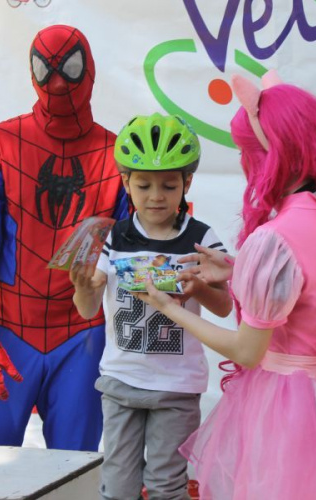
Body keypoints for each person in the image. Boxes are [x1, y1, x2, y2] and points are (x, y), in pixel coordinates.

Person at [135, 73, 316, 499]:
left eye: (248, 152)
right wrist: (239, 269)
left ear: (271, 156)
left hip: (286, 408)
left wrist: (168, 308)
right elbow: (310, 285)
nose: (246, 164)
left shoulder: (274, 238)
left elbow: (248, 350)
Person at [0, 25, 127, 451]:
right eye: (46, 69)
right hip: (7, 328)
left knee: (72, 474)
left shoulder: (118, 154)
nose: (57, 83)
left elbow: (138, 254)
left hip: (81, 333)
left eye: (69, 69)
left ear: (89, 69)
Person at [70, 113, 233, 500]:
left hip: (176, 389)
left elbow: (225, 307)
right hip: (120, 381)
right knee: (117, 485)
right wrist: (82, 288)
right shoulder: (115, 236)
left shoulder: (200, 237)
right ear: (125, 182)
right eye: (143, 185)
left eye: (169, 185)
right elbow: (87, 308)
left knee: (166, 487)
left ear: (187, 183)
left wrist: (198, 288)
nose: (156, 196)